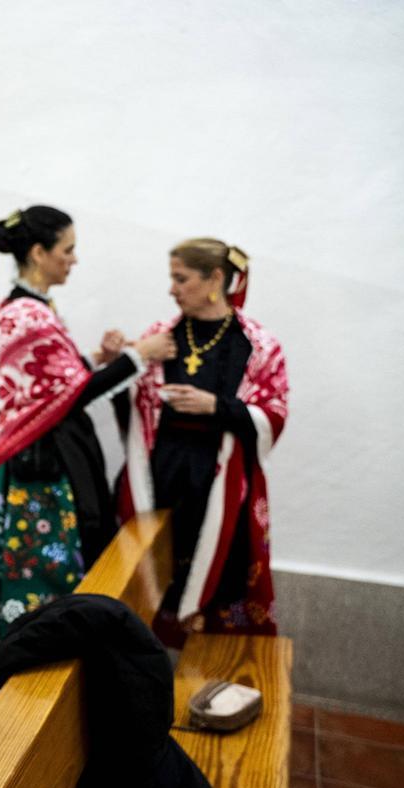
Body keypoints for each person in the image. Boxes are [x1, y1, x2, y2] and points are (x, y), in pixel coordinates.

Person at [0, 206, 175, 638]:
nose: (74, 259)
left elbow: (52, 385)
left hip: (45, 451)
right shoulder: (30, 315)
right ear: (38, 252)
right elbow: (73, 394)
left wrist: (101, 358)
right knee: (46, 581)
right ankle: (37, 663)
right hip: (40, 466)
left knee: (55, 576)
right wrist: (140, 355)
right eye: (67, 250)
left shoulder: (32, 308)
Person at [115, 238, 289, 648]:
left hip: (220, 485)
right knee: (150, 595)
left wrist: (216, 406)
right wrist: (121, 361)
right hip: (161, 479)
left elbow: (275, 413)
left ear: (215, 279)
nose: (172, 289)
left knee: (217, 602)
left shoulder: (256, 345)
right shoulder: (161, 335)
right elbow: (132, 399)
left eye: (181, 279)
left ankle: (205, 675)